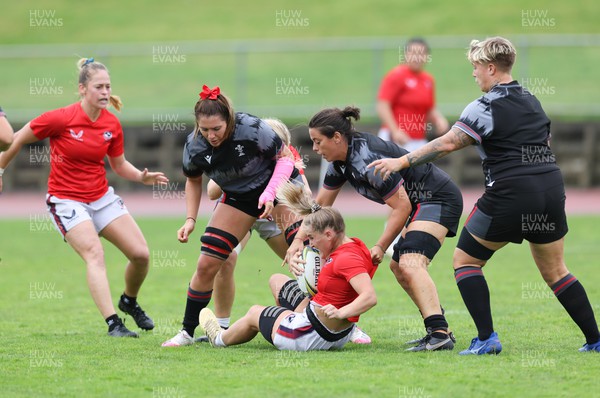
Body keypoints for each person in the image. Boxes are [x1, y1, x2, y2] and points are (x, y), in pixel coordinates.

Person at [369, 36, 600, 354]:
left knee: (465, 261)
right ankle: (596, 340)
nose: (474, 73)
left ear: (491, 68)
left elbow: (448, 143)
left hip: (510, 192)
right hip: (550, 189)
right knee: (556, 270)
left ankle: (487, 339)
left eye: (476, 67)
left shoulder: (485, 105)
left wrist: (402, 160)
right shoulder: (531, 99)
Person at [0, 58, 168, 337]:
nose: (105, 92)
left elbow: (118, 164)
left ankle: (129, 301)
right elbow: (15, 138)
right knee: (94, 254)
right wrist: (1, 169)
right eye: (98, 87)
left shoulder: (111, 124)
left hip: (101, 197)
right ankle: (114, 323)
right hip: (66, 200)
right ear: (82, 89)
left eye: (108, 87)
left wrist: (141, 176)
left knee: (141, 255)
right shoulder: (59, 118)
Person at [287, 106, 463, 351]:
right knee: (399, 267)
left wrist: (380, 244)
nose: (315, 149)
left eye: (318, 141)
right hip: (419, 204)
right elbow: (320, 209)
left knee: (410, 262)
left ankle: (440, 333)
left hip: (438, 198)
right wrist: (297, 242)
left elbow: (401, 206)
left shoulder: (366, 159)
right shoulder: (339, 163)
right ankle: (437, 329)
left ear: (336, 137)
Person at [162, 85, 301, 347]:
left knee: (305, 254)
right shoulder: (194, 145)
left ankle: (346, 326)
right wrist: (190, 219)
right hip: (240, 198)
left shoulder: (251, 128)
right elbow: (193, 181)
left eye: (217, 128)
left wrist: (270, 193)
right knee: (207, 264)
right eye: (205, 129)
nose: (211, 135)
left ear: (229, 119)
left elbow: (285, 160)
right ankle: (187, 332)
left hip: (279, 189)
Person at [198, 181, 377, 351]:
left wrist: (341, 312)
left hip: (310, 335)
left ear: (329, 234)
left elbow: (369, 297)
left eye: (312, 238)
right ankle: (285, 320)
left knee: (254, 313)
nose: (311, 244)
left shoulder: (346, 259)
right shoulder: (354, 245)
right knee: (277, 280)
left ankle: (218, 338)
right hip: (334, 330)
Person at [376, 37, 448, 152]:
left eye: (421, 53)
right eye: (413, 53)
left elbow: (429, 108)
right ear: (405, 54)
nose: (417, 57)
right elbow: (382, 106)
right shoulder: (397, 75)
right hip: (396, 139)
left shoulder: (428, 80)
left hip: (418, 139)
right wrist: (395, 130)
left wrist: (439, 119)